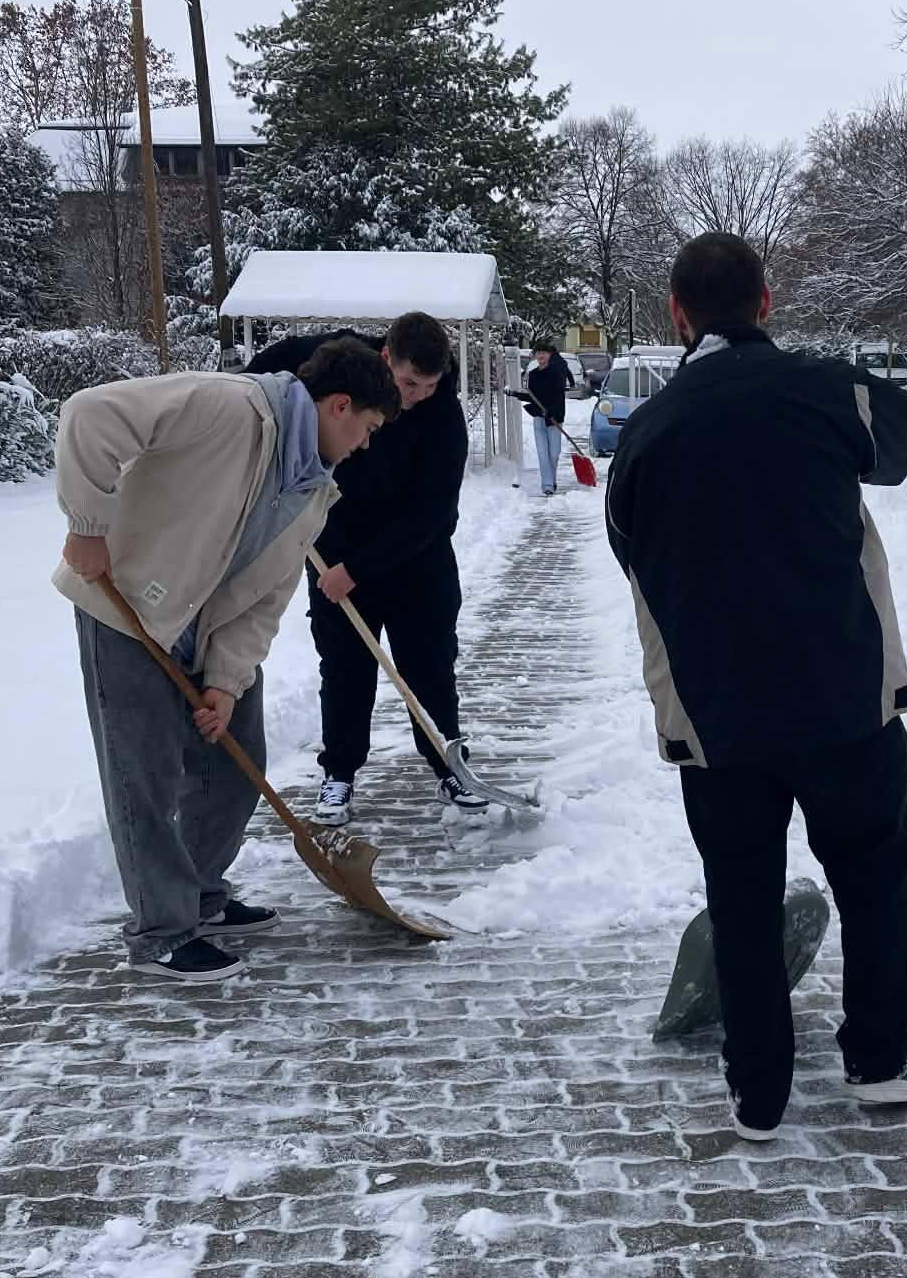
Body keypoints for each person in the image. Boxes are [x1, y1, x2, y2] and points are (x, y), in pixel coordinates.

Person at [604, 232, 907, 1140]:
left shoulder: (645, 432)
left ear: (677, 316)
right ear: (766, 303)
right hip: (844, 700)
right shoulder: (828, 391)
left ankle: (757, 1090)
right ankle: (878, 1059)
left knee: (742, 896)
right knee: (875, 880)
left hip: (716, 717)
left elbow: (627, 551)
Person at [54, 338, 398, 981]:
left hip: (204, 628)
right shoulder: (228, 406)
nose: (365, 445)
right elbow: (89, 414)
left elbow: (263, 599)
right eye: (369, 428)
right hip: (125, 606)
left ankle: (200, 893)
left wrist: (226, 683)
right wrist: (86, 526)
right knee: (144, 775)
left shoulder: (312, 490)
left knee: (235, 764)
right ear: (340, 406)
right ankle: (161, 932)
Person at [244, 314, 487, 822]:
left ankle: (448, 764)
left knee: (429, 666)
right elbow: (265, 374)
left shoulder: (442, 416)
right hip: (334, 551)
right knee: (345, 670)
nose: (418, 395)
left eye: (430, 384)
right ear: (385, 358)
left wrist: (356, 569)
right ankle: (339, 773)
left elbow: (434, 513)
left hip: (417, 561)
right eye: (409, 383)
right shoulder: (343, 363)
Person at [515, 337, 570, 496]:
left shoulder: (556, 373)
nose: (540, 356)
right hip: (539, 417)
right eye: (538, 353)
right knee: (542, 453)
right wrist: (516, 394)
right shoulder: (533, 375)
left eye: (544, 353)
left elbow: (558, 395)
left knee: (554, 453)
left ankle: (552, 479)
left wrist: (552, 410)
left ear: (549, 355)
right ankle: (547, 485)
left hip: (554, 418)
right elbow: (532, 397)